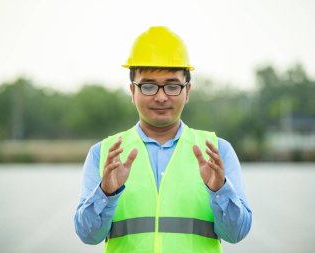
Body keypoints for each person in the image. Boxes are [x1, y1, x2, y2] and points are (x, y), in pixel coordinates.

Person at [74, 26, 252, 253]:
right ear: (132, 91)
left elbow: (236, 234)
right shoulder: (104, 154)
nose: (160, 97)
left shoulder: (217, 152)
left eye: (172, 86)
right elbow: (88, 236)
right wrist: (105, 193)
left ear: (187, 91)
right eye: (148, 86)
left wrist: (220, 189)